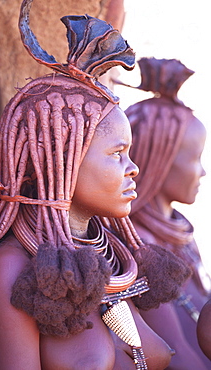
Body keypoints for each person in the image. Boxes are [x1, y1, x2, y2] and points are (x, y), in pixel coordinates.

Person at [0, 2, 192, 369]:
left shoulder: (107, 256)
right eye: (117, 153)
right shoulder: (12, 268)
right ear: (61, 157)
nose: (132, 169)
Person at [125, 57, 211, 369]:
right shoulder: (142, 249)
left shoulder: (178, 232)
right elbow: (177, 354)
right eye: (195, 158)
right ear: (159, 160)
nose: (202, 172)